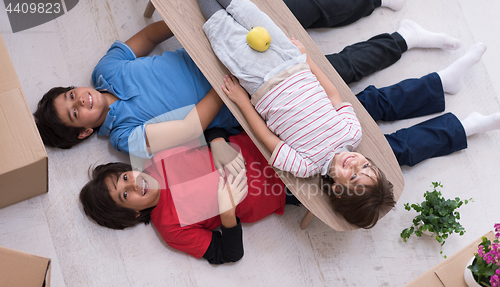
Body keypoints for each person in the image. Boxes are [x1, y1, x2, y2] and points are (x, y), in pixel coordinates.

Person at [198, 0, 497, 227]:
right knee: (377, 100)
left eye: (354, 175)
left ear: (339, 189)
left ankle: (459, 117)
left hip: (261, 81)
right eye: (367, 166)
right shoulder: (353, 134)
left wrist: (241, 99)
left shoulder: (305, 166)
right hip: (294, 65)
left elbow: (265, 135)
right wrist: (308, 60)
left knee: (219, 25)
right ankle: (440, 80)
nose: (358, 164)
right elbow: (333, 94)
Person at [33, 0, 459, 156]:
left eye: (72, 95)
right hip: (241, 95)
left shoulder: (104, 72)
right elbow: (189, 127)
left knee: (296, 12)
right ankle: (404, 39)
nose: (81, 100)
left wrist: (187, 23)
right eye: (74, 112)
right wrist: (226, 80)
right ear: (86, 132)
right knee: (335, 71)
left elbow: (146, 37)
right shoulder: (124, 136)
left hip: (216, 46)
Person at [79, 131, 295, 264]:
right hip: (286, 188)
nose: (134, 184)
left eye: (125, 177)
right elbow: (229, 254)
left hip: (265, 137)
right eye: (125, 194)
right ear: (132, 213)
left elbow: (210, 124)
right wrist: (227, 212)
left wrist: (217, 140)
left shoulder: (160, 156)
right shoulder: (171, 228)